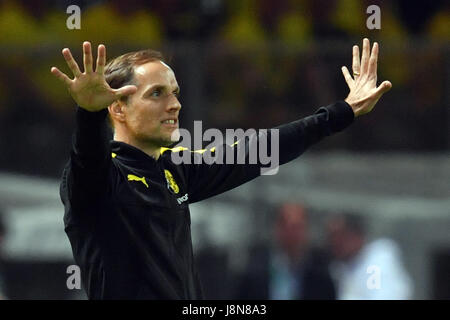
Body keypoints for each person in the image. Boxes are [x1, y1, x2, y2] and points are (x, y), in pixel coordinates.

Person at [51, 38, 392, 299]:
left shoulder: (174, 170)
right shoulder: (97, 179)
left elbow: (260, 149)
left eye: (175, 92)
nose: (175, 103)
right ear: (118, 109)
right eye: (157, 93)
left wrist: (342, 112)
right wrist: (89, 114)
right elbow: (88, 158)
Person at [236, 203, 335, 300]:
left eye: (297, 227)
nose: (291, 234)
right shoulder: (254, 273)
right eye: (286, 226)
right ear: (276, 229)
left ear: (307, 230)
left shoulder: (321, 276)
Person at [326, 213, 413, 299]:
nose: (335, 242)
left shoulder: (376, 261)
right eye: (331, 237)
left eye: (340, 236)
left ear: (357, 235)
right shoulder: (340, 268)